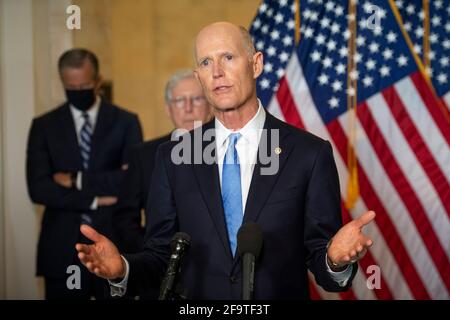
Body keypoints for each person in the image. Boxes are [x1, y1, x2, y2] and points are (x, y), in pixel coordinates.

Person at [76, 22, 376, 299]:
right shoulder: (172, 157)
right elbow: (160, 257)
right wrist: (123, 270)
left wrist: (335, 261)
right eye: (206, 62)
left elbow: (322, 262)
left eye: (228, 57)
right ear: (199, 77)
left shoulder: (309, 153)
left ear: (256, 64)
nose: (217, 71)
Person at [26, 48, 143, 299]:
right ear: (63, 83)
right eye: (72, 87)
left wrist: (75, 180)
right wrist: (94, 199)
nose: (79, 92)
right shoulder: (44, 126)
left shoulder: (126, 122)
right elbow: (39, 188)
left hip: (115, 245)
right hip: (61, 248)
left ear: (98, 81)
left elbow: (132, 181)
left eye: (85, 86)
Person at [112, 70, 211, 298]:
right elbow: (124, 218)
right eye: (179, 100)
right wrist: (154, 256)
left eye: (196, 99)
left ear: (209, 104)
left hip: (215, 277)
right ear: (168, 109)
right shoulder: (144, 154)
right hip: (158, 280)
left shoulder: (231, 150)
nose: (188, 108)